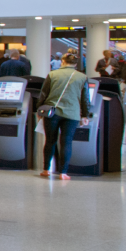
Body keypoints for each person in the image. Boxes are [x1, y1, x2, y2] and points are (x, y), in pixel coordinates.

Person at [36, 51, 88, 180]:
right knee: (66, 142)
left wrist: (39, 110)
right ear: (76, 64)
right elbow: (85, 99)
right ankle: (63, 172)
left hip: (52, 113)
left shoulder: (52, 74)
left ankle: (46, 169)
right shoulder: (82, 77)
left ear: (63, 62)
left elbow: (43, 94)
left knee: (50, 141)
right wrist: (85, 115)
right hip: (72, 113)